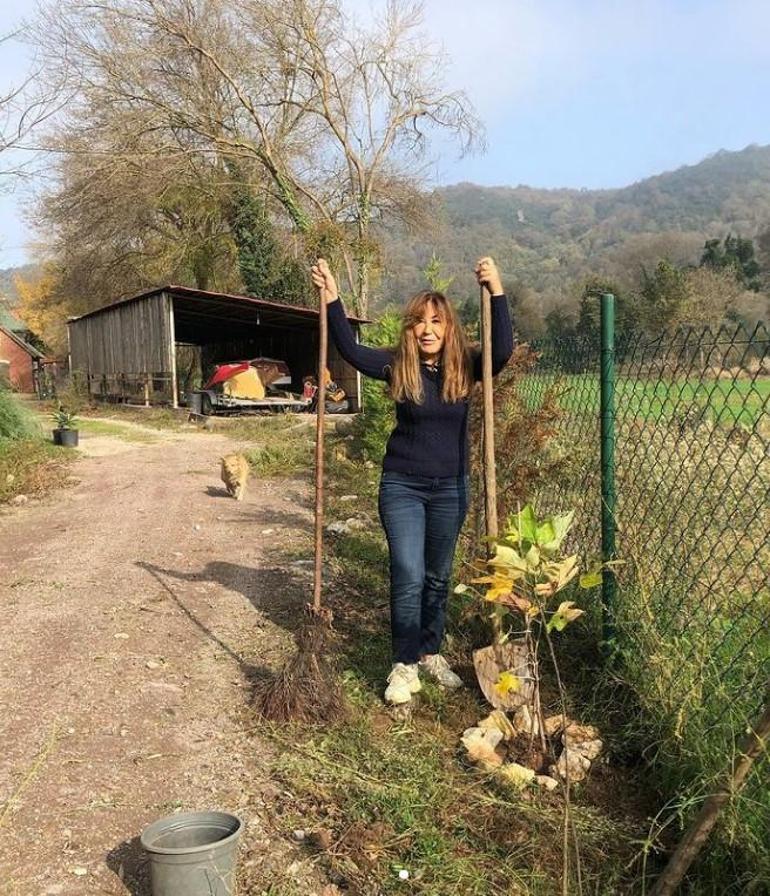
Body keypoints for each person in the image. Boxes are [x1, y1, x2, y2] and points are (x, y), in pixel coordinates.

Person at [310, 257, 514, 704]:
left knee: (438, 576)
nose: (427, 330)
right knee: (408, 573)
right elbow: (350, 350)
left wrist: (496, 290)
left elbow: (500, 353)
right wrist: (332, 294)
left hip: (451, 487)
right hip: (402, 485)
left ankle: (430, 652)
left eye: (437, 322)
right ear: (410, 329)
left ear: (448, 329)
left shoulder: (465, 365)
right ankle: (403, 664)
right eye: (420, 322)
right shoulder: (397, 365)